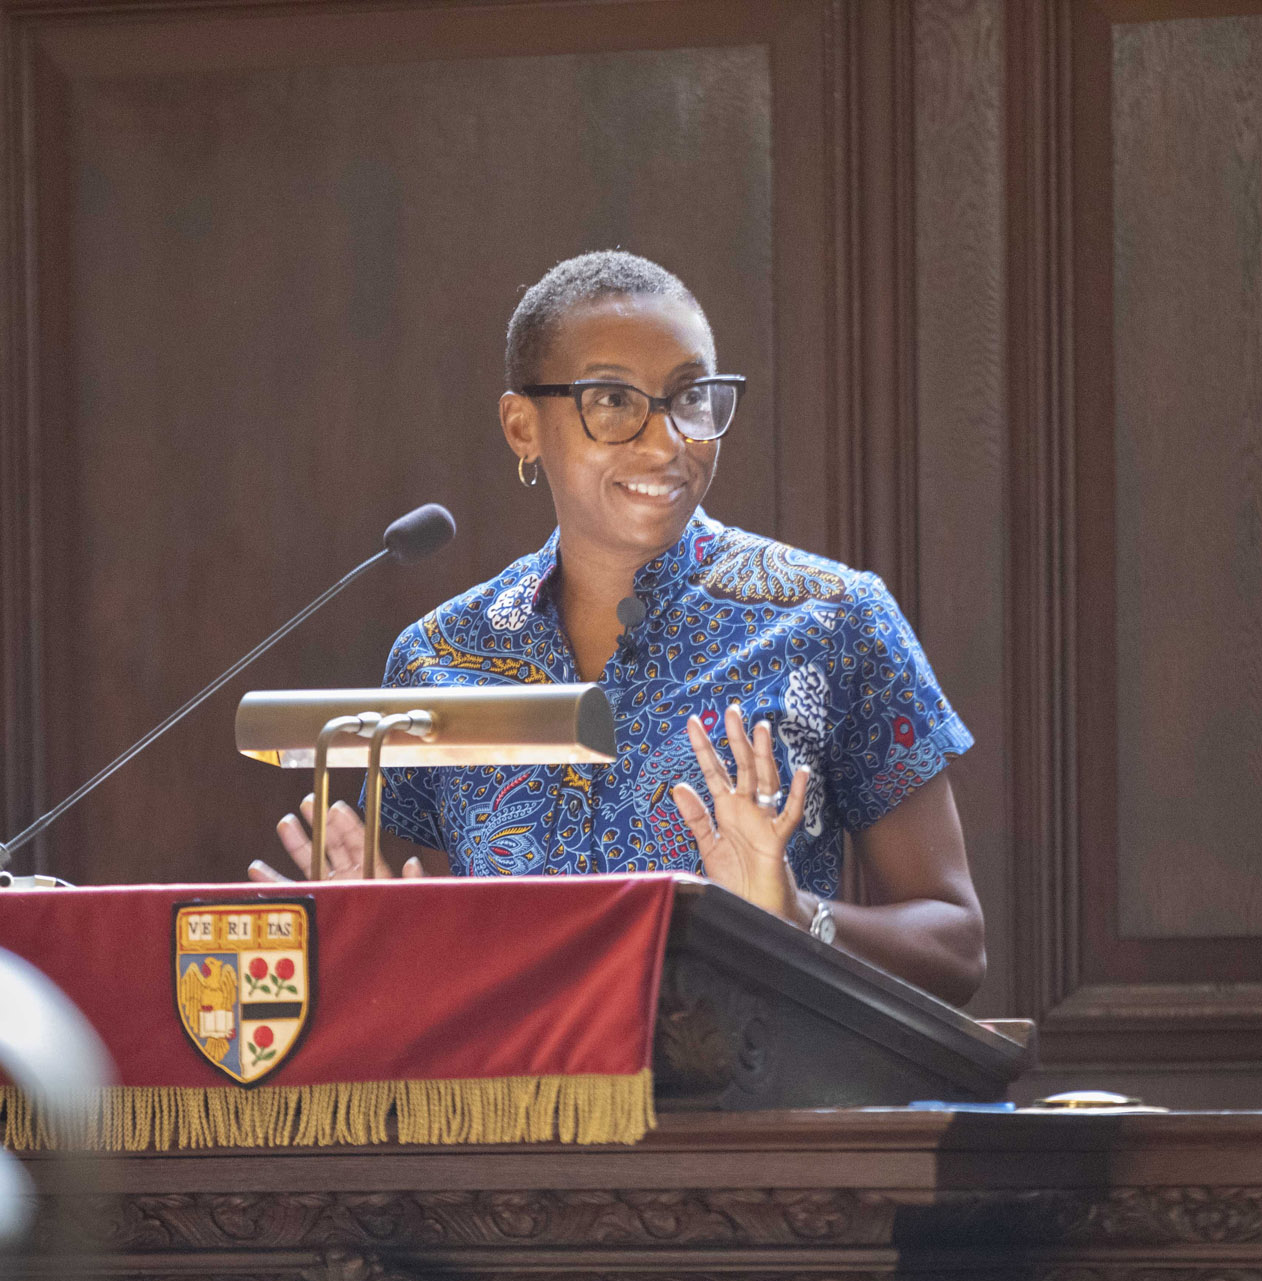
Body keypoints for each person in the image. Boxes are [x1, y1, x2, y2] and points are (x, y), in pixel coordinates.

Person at [250, 251, 987, 1004]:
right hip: (515, 1111)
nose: (668, 441)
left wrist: (798, 918)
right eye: (612, 399)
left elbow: (957, 945)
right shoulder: (440, 658)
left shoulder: (831, 620)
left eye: (691, 396)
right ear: (521, 426)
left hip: (756, 1112)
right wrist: (382, 933)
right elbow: (447, 962)